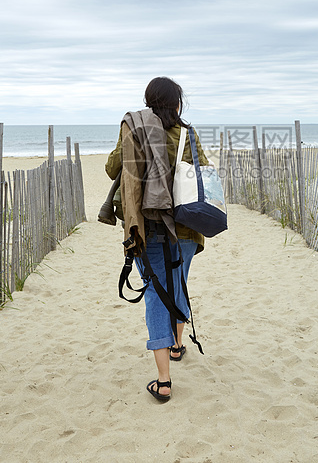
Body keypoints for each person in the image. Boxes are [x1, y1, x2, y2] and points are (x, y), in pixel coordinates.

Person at [105, 77, 209, 402]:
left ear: (149, 101)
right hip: (186, 228)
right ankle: (177, 345)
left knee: (155, 293)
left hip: (148, 227)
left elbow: (112, 169)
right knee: (178, 284)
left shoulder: (135, 128)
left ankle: (164, 381)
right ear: (177, 103)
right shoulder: (187, 134)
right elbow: (204, 173)